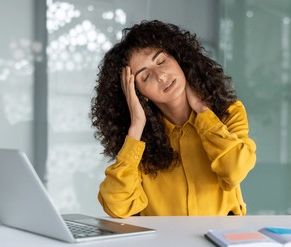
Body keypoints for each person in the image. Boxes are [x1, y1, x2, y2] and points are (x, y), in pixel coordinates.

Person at [90, 20, 256, 218]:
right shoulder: (140, 141)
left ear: (179, 59)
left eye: (161, 61)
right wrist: (135, 128)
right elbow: (117, 207)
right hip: (162, 246)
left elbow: (234, 170)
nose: (160, 76)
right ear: (139, 93)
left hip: (219, 240)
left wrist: (203, 112)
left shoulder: (229, 112)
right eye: (145, 77)